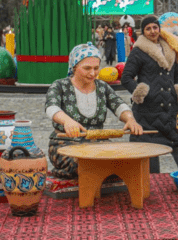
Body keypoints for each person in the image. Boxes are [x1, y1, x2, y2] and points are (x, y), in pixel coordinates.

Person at [45, 42, 143, 179]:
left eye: (96, 68)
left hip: (97, 143)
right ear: (74, 67)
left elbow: (119, 105)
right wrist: (67, 121)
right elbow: (51, 107)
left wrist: (130, 119)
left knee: (121, 162)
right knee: (86, 164)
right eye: (87, 68)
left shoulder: (102, 87)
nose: (92, 73)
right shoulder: (60, 85)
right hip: (65, 143)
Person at [121, 15, 178, 174]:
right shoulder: (138, 51)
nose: (152, 31)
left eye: (155, 27)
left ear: (159, 29)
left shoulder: (170, 49)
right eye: (148, 28)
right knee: (150, 148)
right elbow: (126, 77)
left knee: (175, 144)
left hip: (169, 108)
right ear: (143, 32)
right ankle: (152, 184)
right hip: (148, 110)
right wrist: (140, 92)